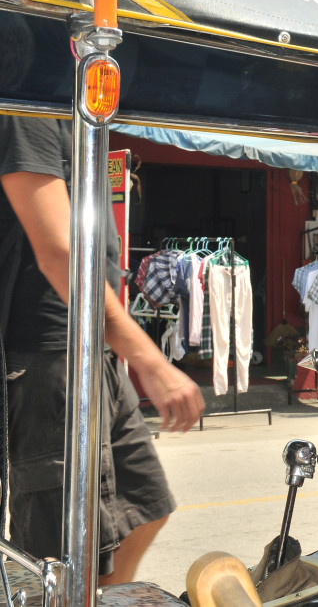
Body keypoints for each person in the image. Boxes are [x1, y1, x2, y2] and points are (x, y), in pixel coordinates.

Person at [0, 114, 205, 584]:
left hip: (93, 351)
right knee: (61, 556)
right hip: (50, 355)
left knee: (144, 506)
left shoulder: (69, 104)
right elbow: (59, 252)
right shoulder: (25, 102)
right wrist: (150, 360)